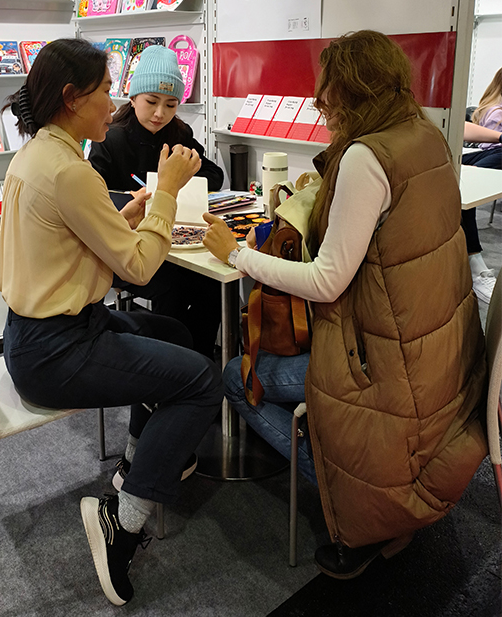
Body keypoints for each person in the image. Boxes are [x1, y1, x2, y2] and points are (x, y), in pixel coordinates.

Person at [203, 30, 488, 580]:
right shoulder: (423, 135)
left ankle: (353, 501)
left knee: (240, 378)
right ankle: (356, 472)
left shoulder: (364, 156)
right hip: (435, 356)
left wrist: (237, 254)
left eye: (327, 88)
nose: (320, 100)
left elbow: (327, 281)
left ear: (351, 90)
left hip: (379, 365)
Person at [0, 38, 223, 606]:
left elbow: (73, 239)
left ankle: (133, 464)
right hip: (58, 349)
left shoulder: (39, 154)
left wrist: (127, 213)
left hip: (36, 333)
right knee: (203, 381)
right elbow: (139, 269)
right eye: (104, 90)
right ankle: (124, 520)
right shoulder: (69, 170)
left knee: (174, 334)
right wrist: (166, 193)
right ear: (72, 98)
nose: (113, 101)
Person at [89, 45, 225, 359]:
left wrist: (181, 178)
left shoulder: (179, 133)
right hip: (126, 248)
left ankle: (199, 360)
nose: (160, 114)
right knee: (173, 286)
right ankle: (170, 363)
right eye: (151, 102)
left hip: (174, 242)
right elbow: (95, 194)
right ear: (133, 98)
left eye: (171, 104)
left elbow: (214, 174)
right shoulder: (111, 138)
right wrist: (133, 198)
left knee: (210, 283)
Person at [460, 67, 502, 304]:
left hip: (483, 155)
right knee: (465, 185)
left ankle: (475, 263)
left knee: (465, 185)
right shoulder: (495, 110)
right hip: (485, 154)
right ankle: (475, 263)